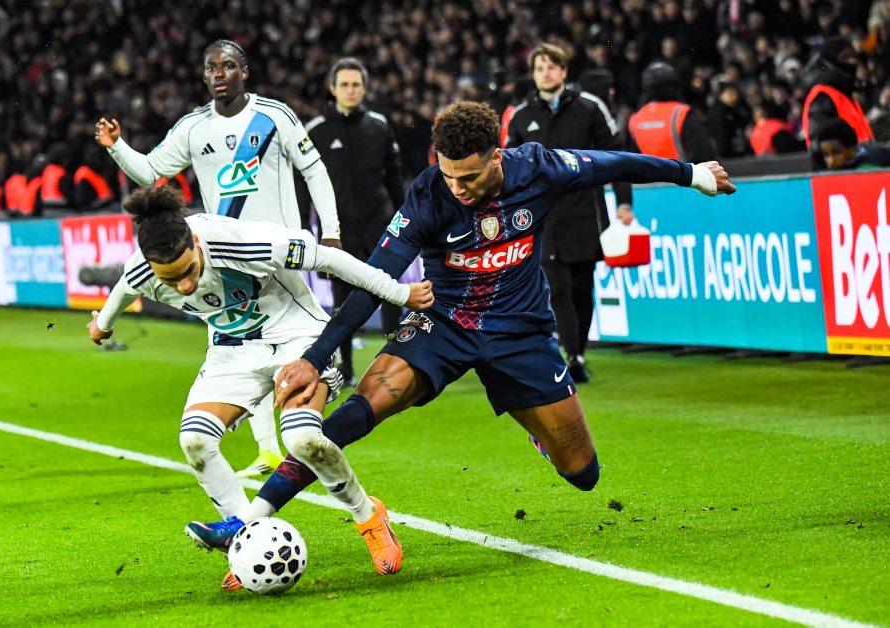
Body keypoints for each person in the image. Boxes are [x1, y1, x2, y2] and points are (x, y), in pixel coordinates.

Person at [188, 101, 736, 541]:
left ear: (497, 157)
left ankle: (533, 422)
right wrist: (315, 357)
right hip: (441, 325)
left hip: (521, 332)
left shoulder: (539, 169)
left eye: (469, 177)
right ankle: (249, 520)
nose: (457, 187)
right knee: (362, 408)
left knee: (583, 474)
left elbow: (611, 163)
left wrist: (690, 174)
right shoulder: (428, 195)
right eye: (449, 175)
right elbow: (374, 278)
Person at [87, 186, 434, 587]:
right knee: (195, 442)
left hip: (297, 338)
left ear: (196, 242)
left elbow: (330, 258)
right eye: (171, 279)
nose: (183, 286)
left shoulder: (245, 243)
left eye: (188, 271)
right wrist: (102, 325)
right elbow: (123, 290)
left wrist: (400, 293)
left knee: (303, 440)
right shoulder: (143, 270)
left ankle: (368, 515)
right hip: (231, 351)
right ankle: (247, 541)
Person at [94, 40, 343, 478]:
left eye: (228, 66)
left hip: (279, 257)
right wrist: (117, 147)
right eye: (212, 68)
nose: (219, 74)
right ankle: (268, 449)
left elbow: (313, 169)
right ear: (204, 76)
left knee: (287, 339)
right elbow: (151, 172)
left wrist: (332, 231)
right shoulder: (193, 127)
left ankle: (322, 388)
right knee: (243, 348)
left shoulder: (275, 116)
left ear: (244, 71)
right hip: (224, 260)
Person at [506, 42, 633, 383]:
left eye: (551, 66)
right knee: (557, 287)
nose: (546, 73)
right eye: (540, 68)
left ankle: (578, 351)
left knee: (581, 286)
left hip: (584, 209)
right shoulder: (521, 116)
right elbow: (509, 167)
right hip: (544, 215)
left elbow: (616, 155)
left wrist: (624, 202)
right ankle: (572, 355)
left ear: (563, 71)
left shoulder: (590, 107)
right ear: (533, 75)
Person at [302, 57, 406, 386]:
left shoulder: (379, 126)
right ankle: (345, 368)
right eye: (344, 84)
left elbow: (394, 179)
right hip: (339, 232)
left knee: (391, 294)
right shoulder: (315, 131)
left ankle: (393, 365)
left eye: (356, 84)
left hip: (380, 226)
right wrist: (304, 228)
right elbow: (302, 185)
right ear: (332, 89)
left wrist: (406, 220)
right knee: (342, 300)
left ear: (364, 88)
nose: (351, 90)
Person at [802, 36, 875, 170]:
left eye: (854, 57)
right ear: (829, 62)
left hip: (862, 169)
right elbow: (820, 145)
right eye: (845, 57)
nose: (852, 62)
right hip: (840, 174)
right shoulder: (823, 96)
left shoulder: (846, 95)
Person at [628, 61, 717, 163]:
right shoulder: (682, 114)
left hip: (650, 173)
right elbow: (705, 156)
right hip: (683, 172)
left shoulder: (635, 120)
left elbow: (631, 161)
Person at [818, 118, 890, 170]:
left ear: (852, 150)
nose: (831, 161)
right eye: (826, 155)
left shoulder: (871, 168)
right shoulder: (825, 174)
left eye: (836, 153)